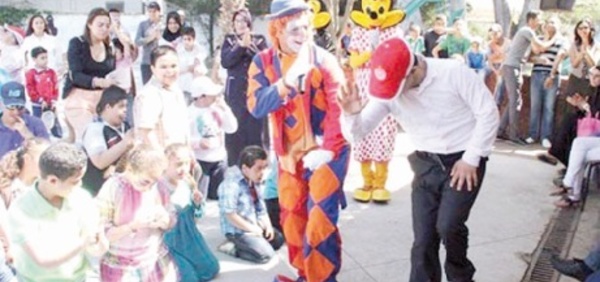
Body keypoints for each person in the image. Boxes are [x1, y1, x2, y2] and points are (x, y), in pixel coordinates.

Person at [339, 37, 499, 282]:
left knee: (448, 226)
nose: (395, 94)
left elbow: (488, 113)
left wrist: (471, 158)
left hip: (463, 160)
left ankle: (461, 276)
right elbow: (357, 133)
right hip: (425, 164)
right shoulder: (390, 92)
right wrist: (351, 114)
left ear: (414, 70)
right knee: (423, 239)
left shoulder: (453, 73)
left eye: (399, 85)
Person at [248, 0, 350, 280]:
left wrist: (327, 150)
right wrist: (284, 84)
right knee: (292, 222)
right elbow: (255, 105)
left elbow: (337, 109)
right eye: (294, 28)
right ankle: (306, 274)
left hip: (328, 153)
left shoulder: (324, 61)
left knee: (319, 223)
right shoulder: (263, 62)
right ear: (277, 30)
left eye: (306, 27)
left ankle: (323, 278)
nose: (302, 34)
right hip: (289, 156)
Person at [8, 142, 108, 282]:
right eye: (75, 181)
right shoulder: (22, 209)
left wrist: (99, 243)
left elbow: (93, 247)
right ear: (53, 180)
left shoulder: (81, 198)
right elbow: (43, 260)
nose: (80, 185)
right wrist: (83, 243)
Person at [348, 0, 404, 203]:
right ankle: (366, 182)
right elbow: (353, 61)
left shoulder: (394, 31)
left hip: (385, 94)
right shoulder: (358, 32)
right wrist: (370, 54)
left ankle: (380, 183)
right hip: (363, 93)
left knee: (384, 135)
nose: (373, 14)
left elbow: (400, 58)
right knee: (362, 135)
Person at [96, 145, 177, 281]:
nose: (149, 188)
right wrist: (133, 226)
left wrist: (166, 221)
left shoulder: (159, 186)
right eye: (145, 182)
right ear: (130, 170)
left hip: (153, 259)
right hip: (121, 266)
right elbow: (102, 234)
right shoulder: (113, 188)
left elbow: (172, 218)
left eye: (153, 183)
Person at [161, 144, 219, 282]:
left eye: (186, 163)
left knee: (211, 268)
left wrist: (197, 204)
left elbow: (196, 216)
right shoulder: (160, 186)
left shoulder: (187, 182)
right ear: (165, 164)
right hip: (170, 241)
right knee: (188, 278)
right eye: (178, 164)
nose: (183, 169)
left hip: (190, 237)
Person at [217, 145, 284, 263]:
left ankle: (254, 244)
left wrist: (267, 225)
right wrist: (252, 228)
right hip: (237, 230)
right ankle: (232, 247)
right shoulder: (231, 185)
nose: (262, 172)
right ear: (245, 168)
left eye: (264, 167)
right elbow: (230, 215)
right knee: (265, 256)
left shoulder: (254, 180)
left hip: (254, 224)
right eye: (258, 168)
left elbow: (261, 208)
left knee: (278, 240)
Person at [220, 8, 269, 167]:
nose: (240, 24)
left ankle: (258, 165)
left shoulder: (260, 39)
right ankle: (235, 164)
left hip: (255, 91)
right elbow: (226, 61)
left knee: (255, 129)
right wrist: (240, 46)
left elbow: (263, 61)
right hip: (235, 93)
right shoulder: (229, 40)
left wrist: (248, 46)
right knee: (235, 128)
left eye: (243, 21)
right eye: (237, 21)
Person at [498, 10, 554, 145]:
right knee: (515, 101)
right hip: (512, 68)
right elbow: (540, 47)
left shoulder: (527, 33)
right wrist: (554, 38)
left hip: (514, 67)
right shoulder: (527, 30)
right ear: (532, 20)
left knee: (514, 101)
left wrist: (540, 60)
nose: (541, 22)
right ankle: (513, 135)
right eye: (539, 19)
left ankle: (500, 131)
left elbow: (530, 55)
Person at [63, 8, 116, 143]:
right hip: (79, 98)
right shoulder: (77, 43)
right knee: (91, 139)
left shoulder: (110, 47)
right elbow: (75, 75)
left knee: (111, 138)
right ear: (89, 24)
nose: (104, 29)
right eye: (100, 25)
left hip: (103, 101)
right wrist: (97, 81)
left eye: (107, 25)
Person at [189, 77, 237, 200]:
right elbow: (183, 138)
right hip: (200, 160)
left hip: (219, 158)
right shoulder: (190, 113)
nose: (217, 96)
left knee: (218, 195)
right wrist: (198, 143)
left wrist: (226, 109)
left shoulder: (218, 109)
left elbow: (232, 128)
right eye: (212, 94)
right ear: (202, 96)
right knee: (200, 196)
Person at [81, 86, 134, 196]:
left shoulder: (126, 127)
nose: (125, 110)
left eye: (126, 106)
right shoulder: (95, 129)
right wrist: (125, 143)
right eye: (121, 106)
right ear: (108, 107)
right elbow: (99, 162)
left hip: (124, 189)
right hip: (99, 192)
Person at [134, 45, 189, 148]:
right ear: (153, 69)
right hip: (158, 159)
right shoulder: (149, 94)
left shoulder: (176, 90)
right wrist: (162, 160)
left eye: (173, 66)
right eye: (163, 67)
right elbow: (146, 133)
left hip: (180, 157)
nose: (170, 71)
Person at [526, 16, 568, 148]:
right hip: (537, 74)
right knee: (535, 106)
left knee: (549, 108)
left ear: (559, 25)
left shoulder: (563, 40)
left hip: (552, 76)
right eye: (548, 22)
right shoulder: (539, 38)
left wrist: (552, 75)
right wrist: (539, 60)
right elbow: (529, 58)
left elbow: (560, 56)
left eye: (553, 22)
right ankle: (533, 135)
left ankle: (545, 136)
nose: (550, 24)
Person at [0, 82, 49, 159]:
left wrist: (28, 135)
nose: (16, 112)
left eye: (20, 107)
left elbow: (47, 153)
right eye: (11, 106)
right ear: (1, 104)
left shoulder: (36, 123)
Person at [24, 46, 61, 138]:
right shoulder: (31, 73)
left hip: (50, 104)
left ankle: (58, 137)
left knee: (53, 121)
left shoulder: (51, 72)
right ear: (34, 59)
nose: (45, 60)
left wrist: (53, 100)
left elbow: (55, 87)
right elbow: (30, 88)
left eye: (46, 57)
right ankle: (38, 138)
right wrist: (39, 100)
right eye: (42, 58)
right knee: (38, 122)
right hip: (38, 105)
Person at [564, 18, 600, 99]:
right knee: (571, 105)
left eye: (585, 28)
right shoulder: (573, 45)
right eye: (580, 28)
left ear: (590, 29)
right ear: (577, 30)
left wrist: (587, 51)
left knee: (587, 106)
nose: (583, 30)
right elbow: (574, 64)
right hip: (575, 78)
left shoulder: (597, 46)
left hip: (590, 80)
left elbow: (594, 65)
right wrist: (581, 54)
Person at [106, 38, 135, 125]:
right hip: (114, 95)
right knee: (117, 118)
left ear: (122, 52)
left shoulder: (126, 61)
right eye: (112, 52)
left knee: (130, 118)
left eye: (116, 51)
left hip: (126, 94)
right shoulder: (109, 64)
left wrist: (116, 29)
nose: (114, 54)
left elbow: (126, 44)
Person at [177, 27, 207, 103]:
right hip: (183, 88)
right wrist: (187, 69)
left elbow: (202, 69)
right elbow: (176, 71)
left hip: (197, 90)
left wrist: (195, 66)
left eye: (189, 39)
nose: (186, 42)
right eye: (184, 39)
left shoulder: (200, 50)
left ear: (194, 39)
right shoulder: (178, 52)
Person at [135, 1, 162, 84]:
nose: (152, 14)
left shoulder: (163, 25)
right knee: (147, 87)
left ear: (159, 12)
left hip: (161, 61)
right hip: (146, 61)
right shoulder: (143, 25)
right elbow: (137, 41)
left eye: (154, 11)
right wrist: (150, 38)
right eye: (150, 11)